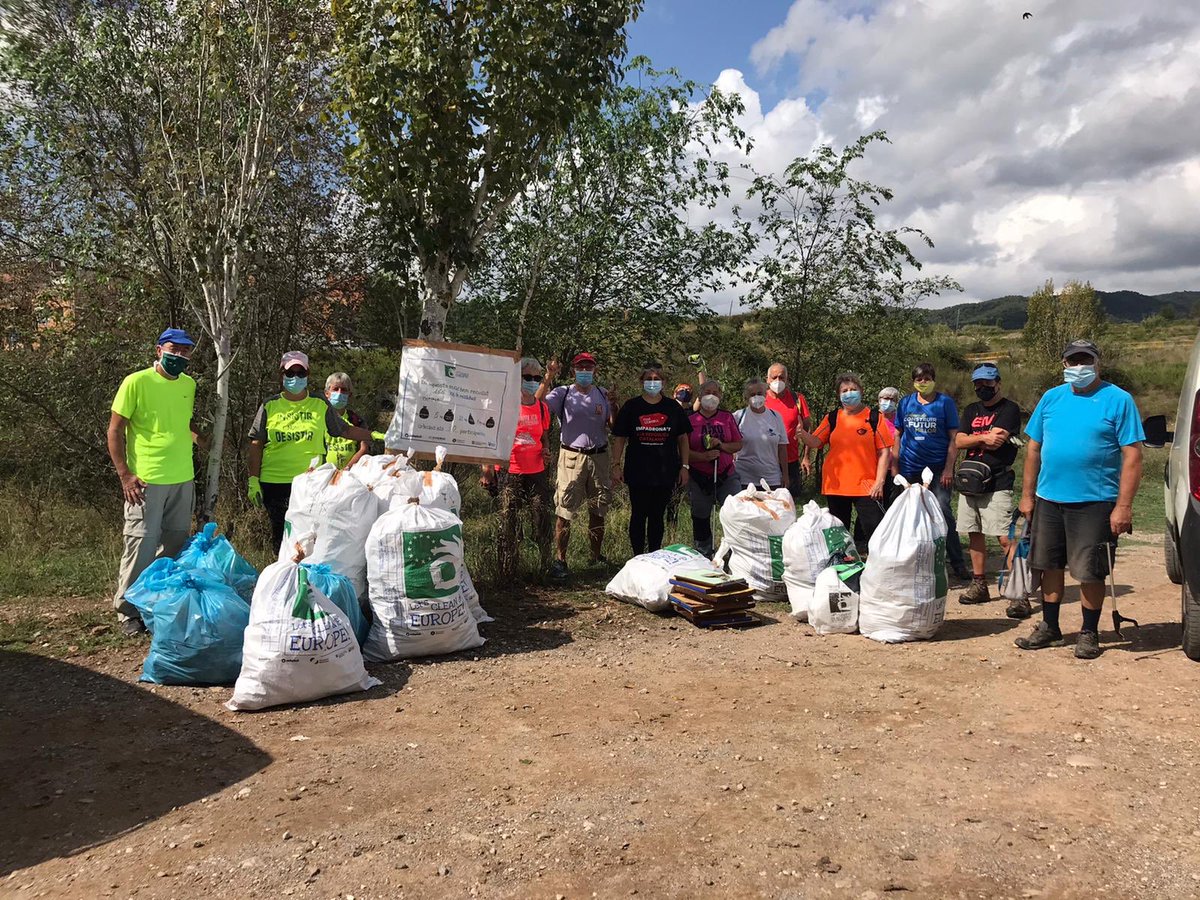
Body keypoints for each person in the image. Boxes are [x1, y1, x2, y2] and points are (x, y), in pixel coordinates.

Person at [1014, 340, 1145, 659]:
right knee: (1048, 565)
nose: (1079, 367)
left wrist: (1123, 506)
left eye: (1086, 360)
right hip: (1048, 499)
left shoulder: (1118, 400)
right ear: (1064, 364)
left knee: (1090, 570)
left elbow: (1132, 455)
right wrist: (1027, 495)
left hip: (1095, 502)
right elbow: (1033, 448)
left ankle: (1089, 632)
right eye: (1073, 361)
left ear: (1098, 363)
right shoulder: (1051, 398)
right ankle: (1050, 627)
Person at [108, 327, 204, 636]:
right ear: (158, 349)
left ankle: (153, 601)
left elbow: (183, 423)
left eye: (185, 351)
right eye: (174, 349)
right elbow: (115, 429)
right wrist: (125, 474)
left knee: (175, 542)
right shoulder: (136, 382)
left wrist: (204, 440)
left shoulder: (188, 385)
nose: (179, 356)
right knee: (141, 544)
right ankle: (127, 611)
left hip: (182, 477)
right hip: (146, 481)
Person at [247, 351, 382, 550]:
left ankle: (307, 577)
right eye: (290, 373)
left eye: (300, 373)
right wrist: (253, 479)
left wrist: (373, 435)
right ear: (281, 375)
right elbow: (256, 443)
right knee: (282, 537)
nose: (295, 378)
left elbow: (343, 430)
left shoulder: (319, 404)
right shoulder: (270, 405)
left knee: (309, 536)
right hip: (274, 482)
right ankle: (283, 577)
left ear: (308, 374)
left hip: (310, 483)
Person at [954, 363, 1025, 613]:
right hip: (970, 482)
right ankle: (979, 585)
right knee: (974, 534)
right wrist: (983, 437)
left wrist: (977, 439)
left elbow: (997, 443)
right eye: (978, 383)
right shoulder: (971, 410)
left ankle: (1019, 593)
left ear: (998, 382)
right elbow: (959, 440)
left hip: (997, 482)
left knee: (1005, 538)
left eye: (988, 382)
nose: (983, 387)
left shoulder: (1010, 409)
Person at [542, 352, 616, 579]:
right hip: (571, 457)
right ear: (573, 370)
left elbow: (614, 426)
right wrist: (548, 376)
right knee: (565, 510)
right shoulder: (562, 393)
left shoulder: (603, 394)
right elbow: (538, 406)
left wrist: (614, 404)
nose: (585, 370)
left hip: (599, 457)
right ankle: (560, 560)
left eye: (589, 367)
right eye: (580, 367)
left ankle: (595, 557)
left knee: (599, 508)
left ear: (596, 370)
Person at [795, 373, 893, 544]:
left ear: (861, 391)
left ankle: (875, 566)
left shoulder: (875, 418)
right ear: (839, 395)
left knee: (875, 531)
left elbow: (884, 452)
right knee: (839, 534)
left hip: (866, 486)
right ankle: (842, 565)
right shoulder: (832, 418)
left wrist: (880, 481)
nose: (849, 393)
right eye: (845, 390)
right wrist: (802, 433)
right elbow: (816, 442)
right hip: (836, 486)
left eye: (853, 389)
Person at [894, 363, 970, 580]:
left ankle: (957, 562)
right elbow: (897, 435)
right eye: (919, 379)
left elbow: (953, 439)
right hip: (909, 467)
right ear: (913, 381)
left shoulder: (944, 403)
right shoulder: (905, 403)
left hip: (937, 468)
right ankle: (910, 560)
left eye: (927, 378)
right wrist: (895, 466)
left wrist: (948, 469)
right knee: (908, 514)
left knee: (943, 511)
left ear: (933, 379)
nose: (923, 382)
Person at [481, 357, 553, 579]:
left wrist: (546, 451)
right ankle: (508, 570)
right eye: (527, 377)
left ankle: (546, 566)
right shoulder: (506, 405)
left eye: (536, 378)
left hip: (537, 472)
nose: (532, 382)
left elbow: (545, 436)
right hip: (510, 471)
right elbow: (489, 438)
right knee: (509, 521)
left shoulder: (542, 408)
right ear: (517, 378)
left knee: (541, 519)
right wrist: (487, 470)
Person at [611, 362, 692, 554]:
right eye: (649, 379)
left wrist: (685, 467)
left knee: (657, 516)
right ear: (641, 382)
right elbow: (620, 438)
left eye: (657, 379)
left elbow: (683, 439)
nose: (653, 383)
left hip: (665, 471)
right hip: (638, 470)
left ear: (664, 382)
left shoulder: (673, 407)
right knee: (638, 515)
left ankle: (654, 554)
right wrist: (615, 465)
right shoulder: (632, 406)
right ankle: (637, 556)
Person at [687, 380, 743, 557]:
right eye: (707, 392)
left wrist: (722, 447)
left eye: (715, 392)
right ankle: (704, 553)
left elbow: (738, 444)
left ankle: (734, 553)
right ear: (700, 395)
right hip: (699, 475)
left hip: (726, 473)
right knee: (701, 515)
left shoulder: (727, 418)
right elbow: (681, 450)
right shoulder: (690, 419)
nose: (711, 396)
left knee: (734, 514)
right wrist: (702, 457)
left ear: (720, 396)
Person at [764, 362, 812, 501]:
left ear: (787, 379)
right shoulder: (761, 400)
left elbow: (808, 427)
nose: (778, 381)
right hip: (766, 461)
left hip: (791, 460)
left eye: (781, 377)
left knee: (790, 503)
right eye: (774, 377)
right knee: (767, 503)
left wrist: (807, 456)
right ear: (767, 380)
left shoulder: (797, 399)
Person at [732, 377, 789, 490]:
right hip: (744, 478)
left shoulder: (776, 416)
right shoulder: (738, 417)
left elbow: (782, 448)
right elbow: (730, 446)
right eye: (752, 394)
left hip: (772, 478)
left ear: (765, 394)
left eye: (759, 393)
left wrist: (785, 475)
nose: (756, 397)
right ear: (747, 397)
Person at [324, 372, 370, 469]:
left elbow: (364, 448)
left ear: (350, 394)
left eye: (344, 390)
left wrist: (347, 469)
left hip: (350, 475)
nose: (339, 393)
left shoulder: (357, 420)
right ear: (327, 393)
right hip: (321, 473)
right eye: (335, 389)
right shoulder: (320, 418)